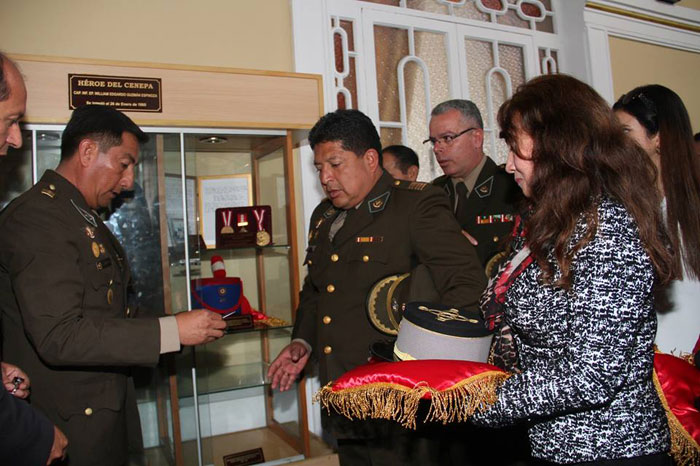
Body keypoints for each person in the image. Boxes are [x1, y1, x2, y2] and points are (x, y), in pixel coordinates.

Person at [0, 104, 227, 466]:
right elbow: (60, 336)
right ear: (88, 151)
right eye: (124, 164)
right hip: (69, 425)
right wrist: (171, 331)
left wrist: (178, 325)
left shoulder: (78, 215)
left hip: (101, 411)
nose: (129, 182)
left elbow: (108, 309)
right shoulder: (39, 219)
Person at [473, 74, 675, 465]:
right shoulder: (554, 221)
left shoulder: (610, 229)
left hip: (613, 452)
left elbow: (592, 375)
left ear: (558, 146)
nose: (508, 164)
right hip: (553, 448)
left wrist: (479, 402)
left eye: (516, 149)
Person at [267, 109, 486, 465]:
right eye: (319, 168)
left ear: (370, 159)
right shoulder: (324, 216)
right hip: (344, 395)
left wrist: (433, 371)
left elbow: (466, 286)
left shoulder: (415, 205)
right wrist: (302, 341)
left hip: (401, 403)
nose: (325, 177)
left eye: (335, 164)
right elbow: (317, 289)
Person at [0, 52, 68, 466]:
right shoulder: (32, 217)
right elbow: (59, 333)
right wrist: (32, 435)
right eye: (10, 120)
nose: (16, 139)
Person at [613, 86, 700, 354]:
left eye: (625, 131)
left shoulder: (691, 209)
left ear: (658, 137)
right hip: (642, 358)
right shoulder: (623, 209)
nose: (615, 143)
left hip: (686, 359)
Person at [428, 99, 521, 270]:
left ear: (477, 138)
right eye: (434, 141)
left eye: (447, 138)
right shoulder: (431, 194)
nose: (437, 149)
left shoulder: (513, 187)